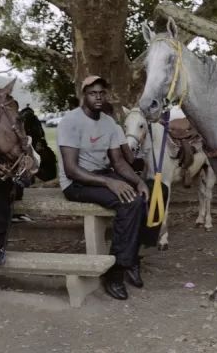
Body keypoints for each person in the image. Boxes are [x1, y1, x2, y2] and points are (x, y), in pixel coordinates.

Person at [57, 76, 149, 300]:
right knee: (129, 202)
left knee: (149, 194)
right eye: (92, 93)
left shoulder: (109, 123)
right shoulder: (70, 122)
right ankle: (115, 273)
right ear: (83, 95)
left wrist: (138, 182)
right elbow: (71, 169)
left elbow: (118, 162)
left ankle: (131, 258)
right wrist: (110, 182)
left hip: (102, 175)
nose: (98, 97)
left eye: (101, 93)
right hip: (76, 183)